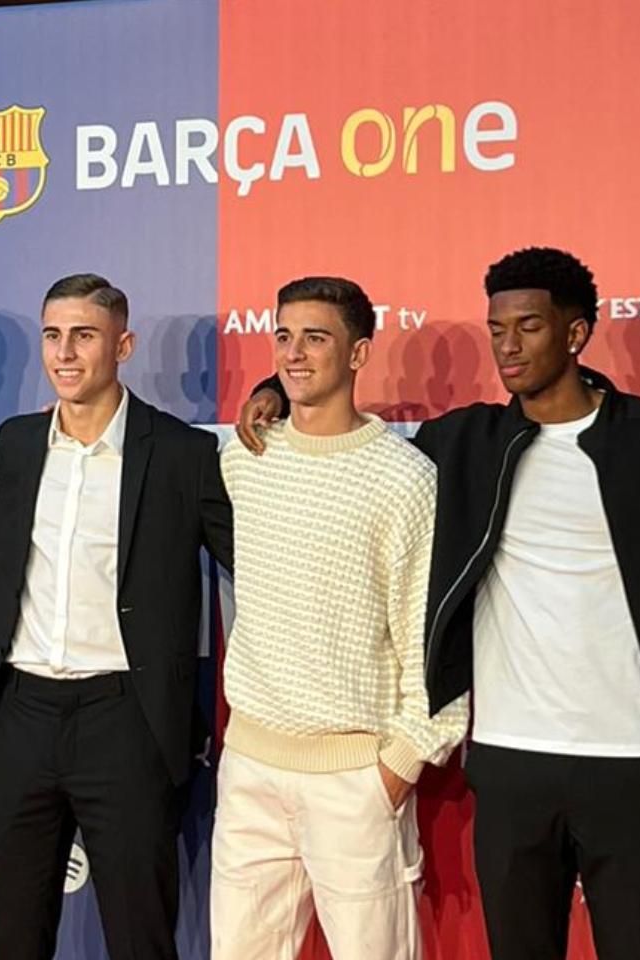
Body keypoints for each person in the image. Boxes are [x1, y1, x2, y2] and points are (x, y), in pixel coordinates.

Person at [237, 248, 640, 958]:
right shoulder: (466, 442)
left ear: (577, 332)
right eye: (497, 330)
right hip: (509, 760)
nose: (508, 346)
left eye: (528, 327)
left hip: (630, 755)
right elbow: (342, 433)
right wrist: (275, 389)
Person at [0, 273, 232, 959]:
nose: (64, 353)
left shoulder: (182, 453)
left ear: (123, 344)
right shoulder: (17, 443)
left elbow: (252, 567)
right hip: (21, 713)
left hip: (126, 718)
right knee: (12, 936)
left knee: (140, 935)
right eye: (53, 336)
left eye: (83, 336)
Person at [211, 276, 468, 960]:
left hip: (356, 779)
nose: (295, 354)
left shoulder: (404, 478)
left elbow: (430, 634)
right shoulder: (246, 455)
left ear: (358, 355)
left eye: (315, 338)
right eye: (284, 337)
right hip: (249, 769)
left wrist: (398, 763)